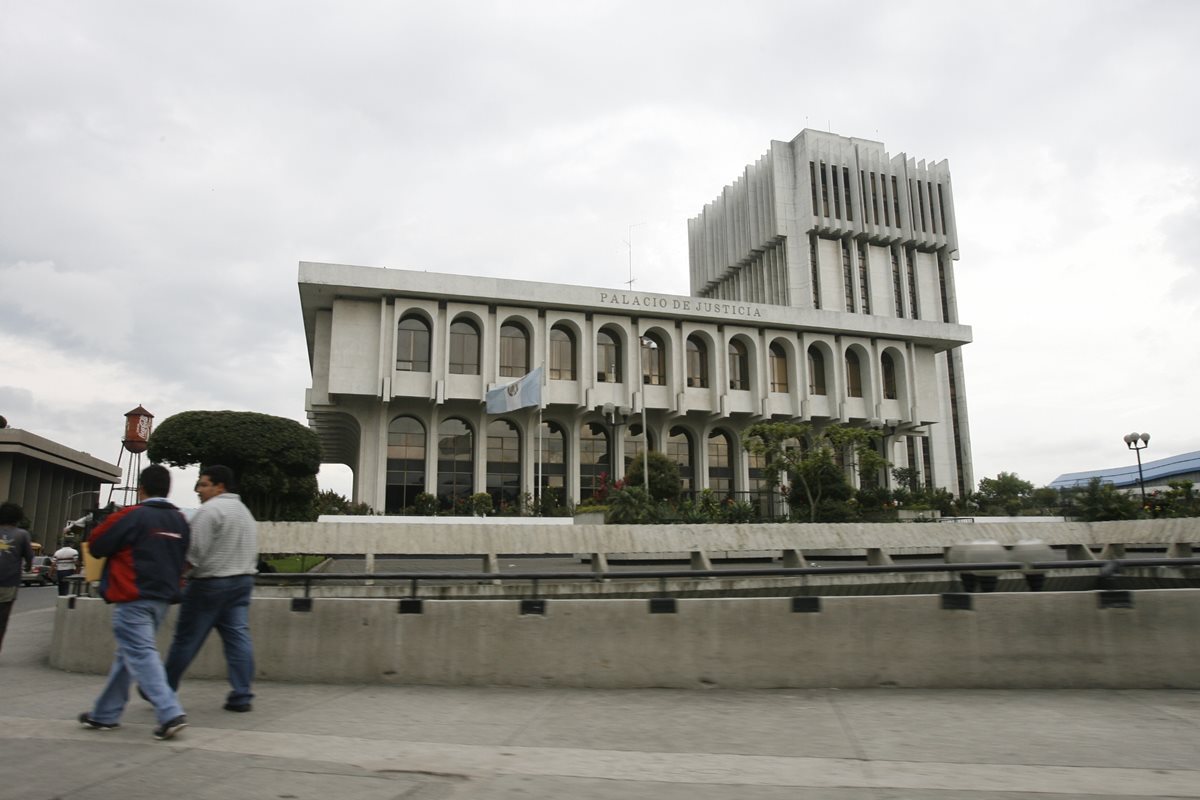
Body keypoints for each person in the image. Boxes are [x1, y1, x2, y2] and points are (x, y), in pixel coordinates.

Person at [79, 464, 190, 740]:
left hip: (132, 596)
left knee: (140, 653)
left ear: (141, 489)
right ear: (168, 489)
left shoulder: (132, 515)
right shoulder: (180, 520)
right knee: (128, 656)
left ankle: (169, 712)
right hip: (163, 599)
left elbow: (97, 544)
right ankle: (104, 714)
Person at [164, 464, 258, 712]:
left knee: (186, 640)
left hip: (210, 584)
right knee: (237, 638)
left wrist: (177, 577)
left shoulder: (210, 511)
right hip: (242, 582)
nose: (199, 490)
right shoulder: (244, 512)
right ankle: (242, 694)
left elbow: (193, 553)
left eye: (204, 484)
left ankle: (161, 689)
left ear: (220, 486)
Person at [0, 502, 34, 654]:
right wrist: (27, 567)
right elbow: (29, 558)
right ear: (17, 518)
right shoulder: (22, 534)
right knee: (2, 619)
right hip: (9, 582)